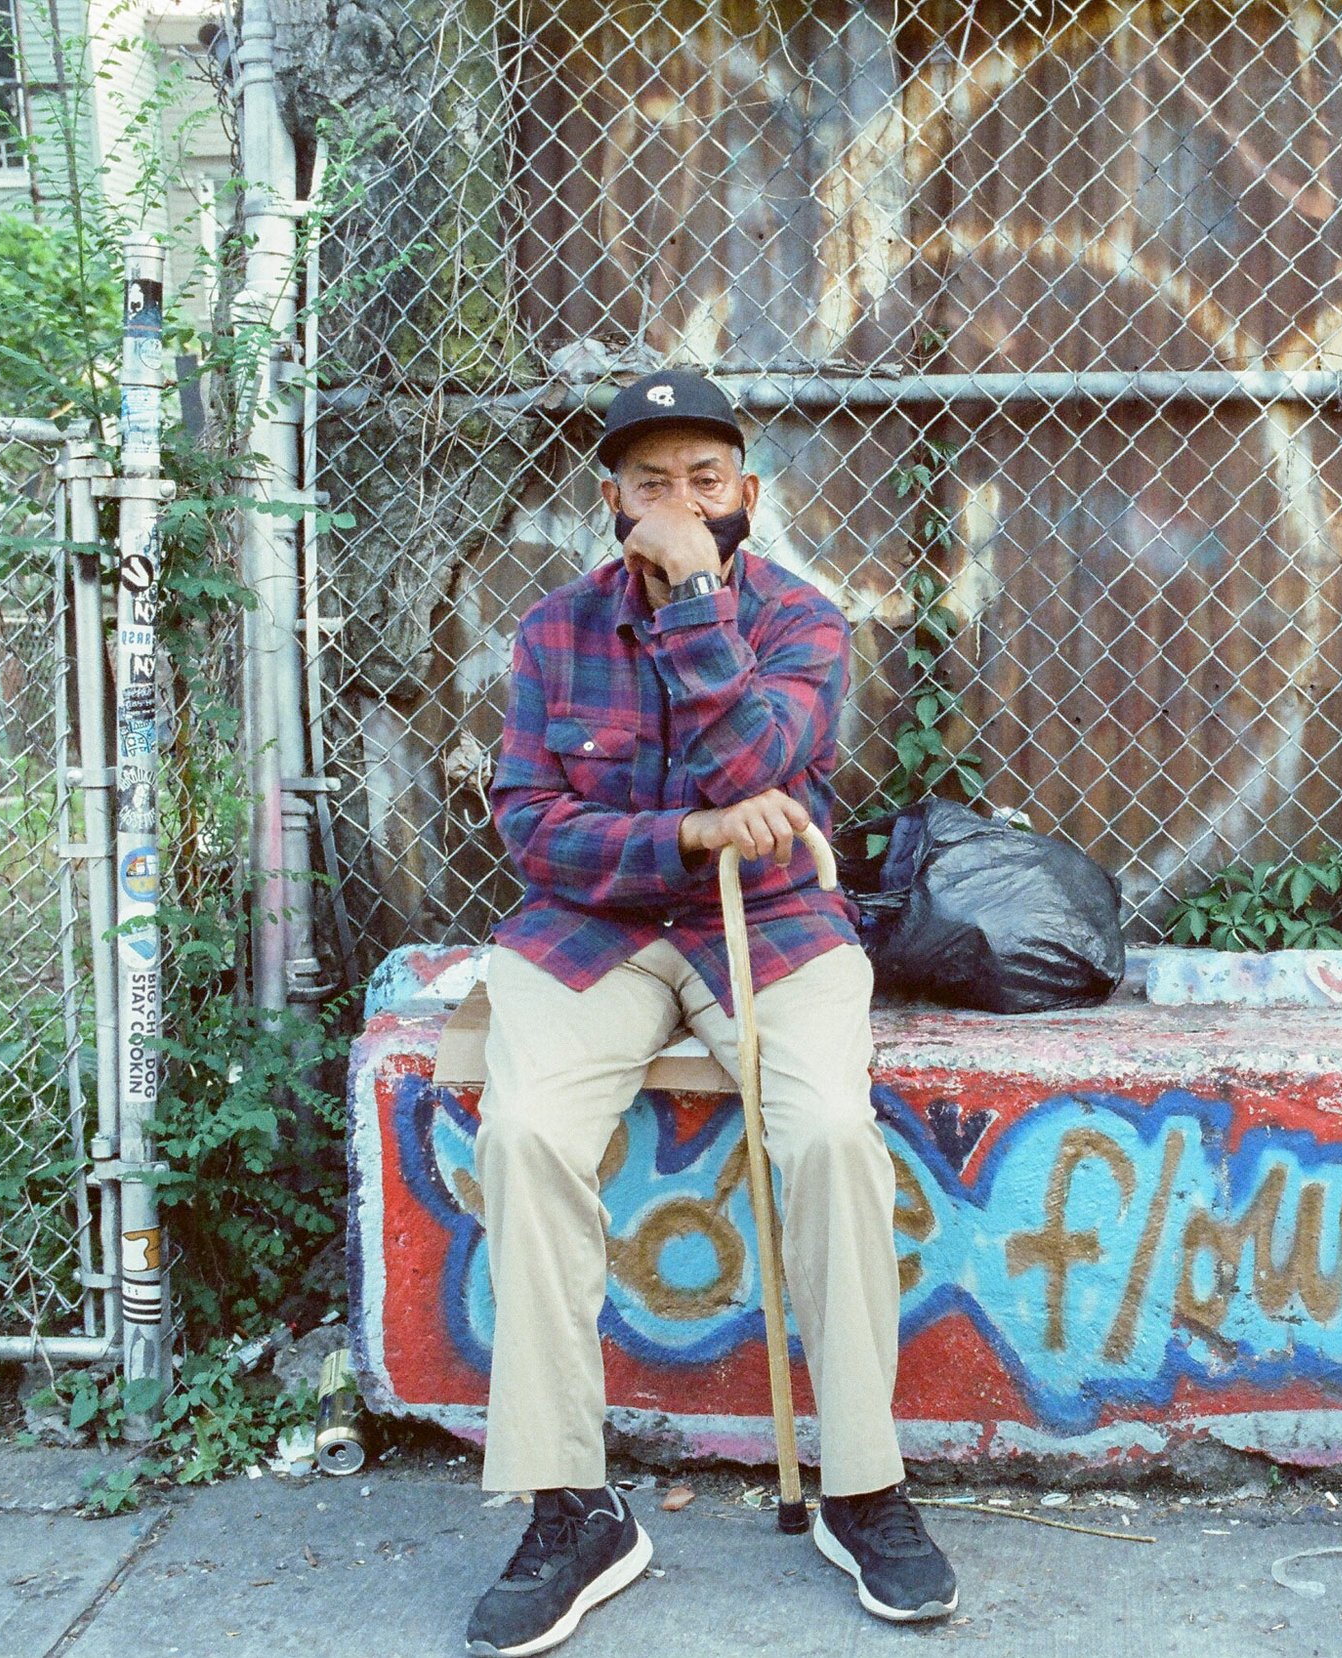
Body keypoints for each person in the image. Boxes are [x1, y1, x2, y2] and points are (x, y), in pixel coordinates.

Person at [462, 368, 957, 1657]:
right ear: (612, 502)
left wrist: (694, 601)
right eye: (652, 484)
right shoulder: (554, 631)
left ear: (748, 492)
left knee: (833, 1138)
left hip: (776, 925)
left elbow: (758, 764)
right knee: (523, 1136)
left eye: (705, 479)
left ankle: (863, 1486)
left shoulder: (803, 620)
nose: (681, 503)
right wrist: (683, 834)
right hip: (595, 931)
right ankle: (572, 1506)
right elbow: (532, 827)